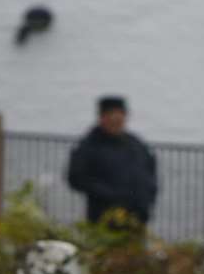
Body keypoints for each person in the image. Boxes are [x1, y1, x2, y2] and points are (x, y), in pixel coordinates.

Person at [66, 95, 157, 227]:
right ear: (102, 117)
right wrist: (111, 195)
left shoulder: (136, 144)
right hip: (103, 219)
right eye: (111, 115)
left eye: (120, 115)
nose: (116, 120)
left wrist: (148, 200)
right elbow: (75, 178)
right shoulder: (89, 146)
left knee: (134, 247)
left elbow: (151, 172)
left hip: (137, 217)